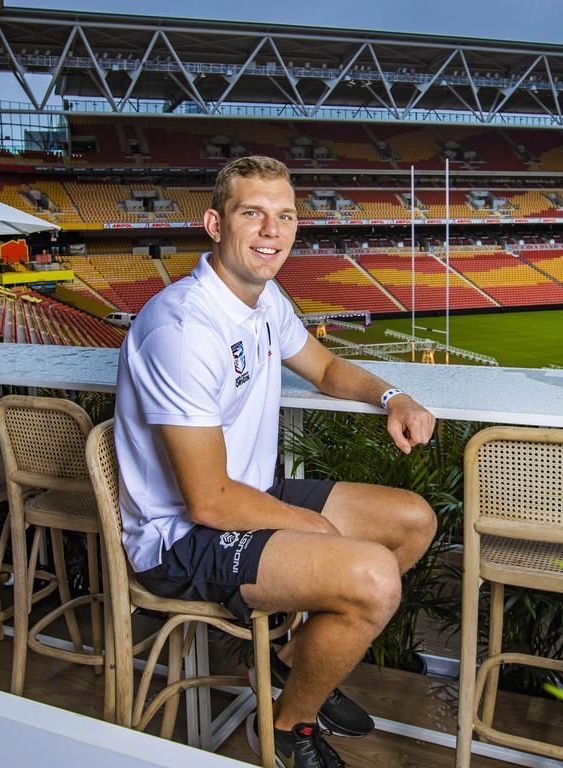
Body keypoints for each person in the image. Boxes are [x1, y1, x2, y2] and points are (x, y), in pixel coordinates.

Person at [114, 155, 437, 768]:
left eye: (284, 217)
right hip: (182, 535)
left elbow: (326, 368)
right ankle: (290, 727)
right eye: (252, 214)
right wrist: (308, 525)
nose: (271, 231)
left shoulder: (265, 300)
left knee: (412, 520)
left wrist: (393, 397)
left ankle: (295, 664)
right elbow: (207, 500)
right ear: (215, 223)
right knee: (371, 579)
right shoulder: (183, 328)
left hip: (248, 493)